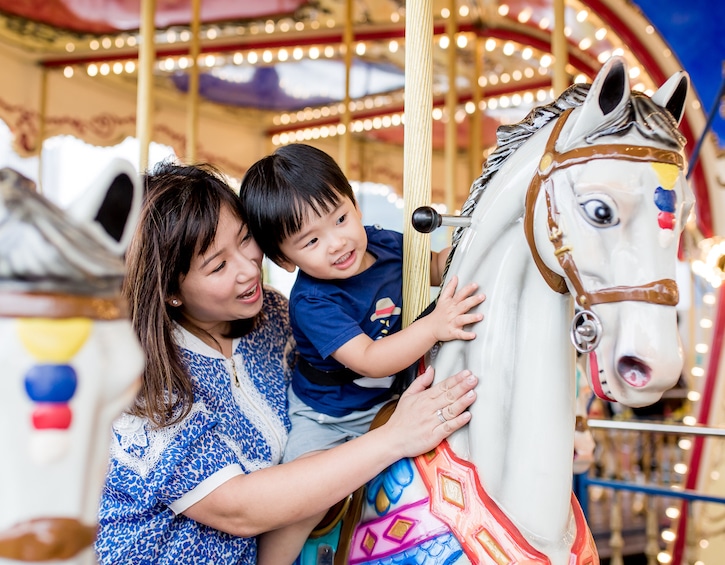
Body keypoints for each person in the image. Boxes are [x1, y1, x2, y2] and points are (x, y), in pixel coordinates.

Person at [94, 161, 479, 565]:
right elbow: (237, 508)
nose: (249, 269)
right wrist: (395, 436)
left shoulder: (272, 317)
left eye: (246, 240)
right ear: (171, 290)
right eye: (219, 265)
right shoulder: (141, 379)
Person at [238, 143, 486, 563]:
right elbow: (370, 358)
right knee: (306, 499)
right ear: (284, 259)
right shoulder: (314, 301)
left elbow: (435, 267)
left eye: (340, 218)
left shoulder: (386, 244)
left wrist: (475, 244)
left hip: (388, 401)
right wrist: (433, 325)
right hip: (328, 418)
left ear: (353, 202)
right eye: (311, 240)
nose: (337, 243)